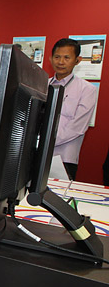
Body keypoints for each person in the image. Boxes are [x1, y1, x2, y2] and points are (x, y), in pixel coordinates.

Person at [49, 38, 97, 180]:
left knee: (58, 198)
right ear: (51, 58)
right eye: (57, 57)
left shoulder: (87, 89)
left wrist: (46, 141)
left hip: (64, 157)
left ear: (77, 60)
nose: (61, 62)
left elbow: (77, 127)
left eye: (67, 58)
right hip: (35, 154)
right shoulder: (42, 85)